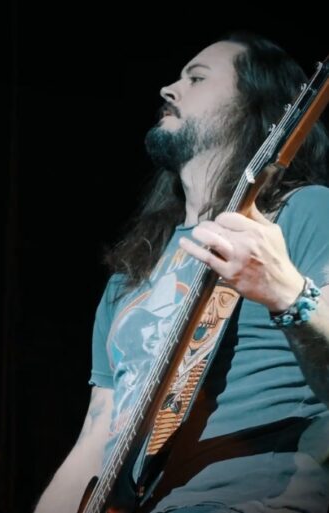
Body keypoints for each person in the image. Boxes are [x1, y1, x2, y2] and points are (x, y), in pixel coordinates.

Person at [34, 33, 329, 513]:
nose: (169, 89)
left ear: (254, 103)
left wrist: (286, 292)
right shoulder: (130, 275)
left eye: (196, 78)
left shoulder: (305, 213)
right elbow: (95, 437)